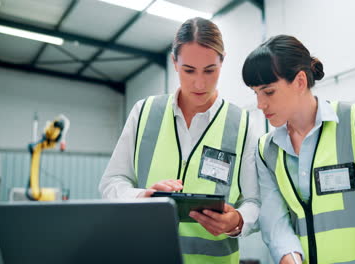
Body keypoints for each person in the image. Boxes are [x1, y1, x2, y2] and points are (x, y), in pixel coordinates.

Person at [241, 35, 355, 264]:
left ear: (300, 82)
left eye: (268, 92)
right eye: (255, 93)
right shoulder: (266, 150)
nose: (260, 104)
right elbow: (275, 223)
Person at [99, 17, 260, 263]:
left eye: (210, 70)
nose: (199, 83)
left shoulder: (242, 123)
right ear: (174, 62)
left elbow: (254, 201)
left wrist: (237, 220)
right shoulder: (144, 112)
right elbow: (111, 183)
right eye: (189, 70)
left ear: (222, 61)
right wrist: (144, 196)